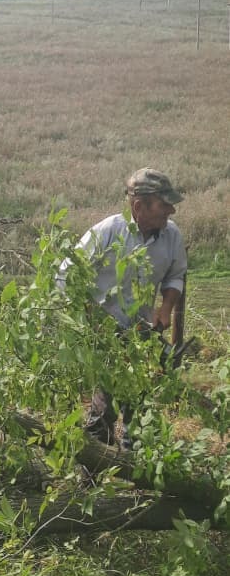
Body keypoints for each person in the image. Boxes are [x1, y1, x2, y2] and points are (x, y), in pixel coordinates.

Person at [56, 168, 187, 449]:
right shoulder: (106, 233)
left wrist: (165, 310)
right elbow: (65, 277)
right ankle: (94, 466)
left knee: (140, 399)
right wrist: (91, 319)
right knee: (106, 398)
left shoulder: (170, 235)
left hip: (141, 329)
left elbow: (176, 275)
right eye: (164, 205)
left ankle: (136, 468)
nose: (171, 210)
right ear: (139, 205)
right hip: (100, 329)